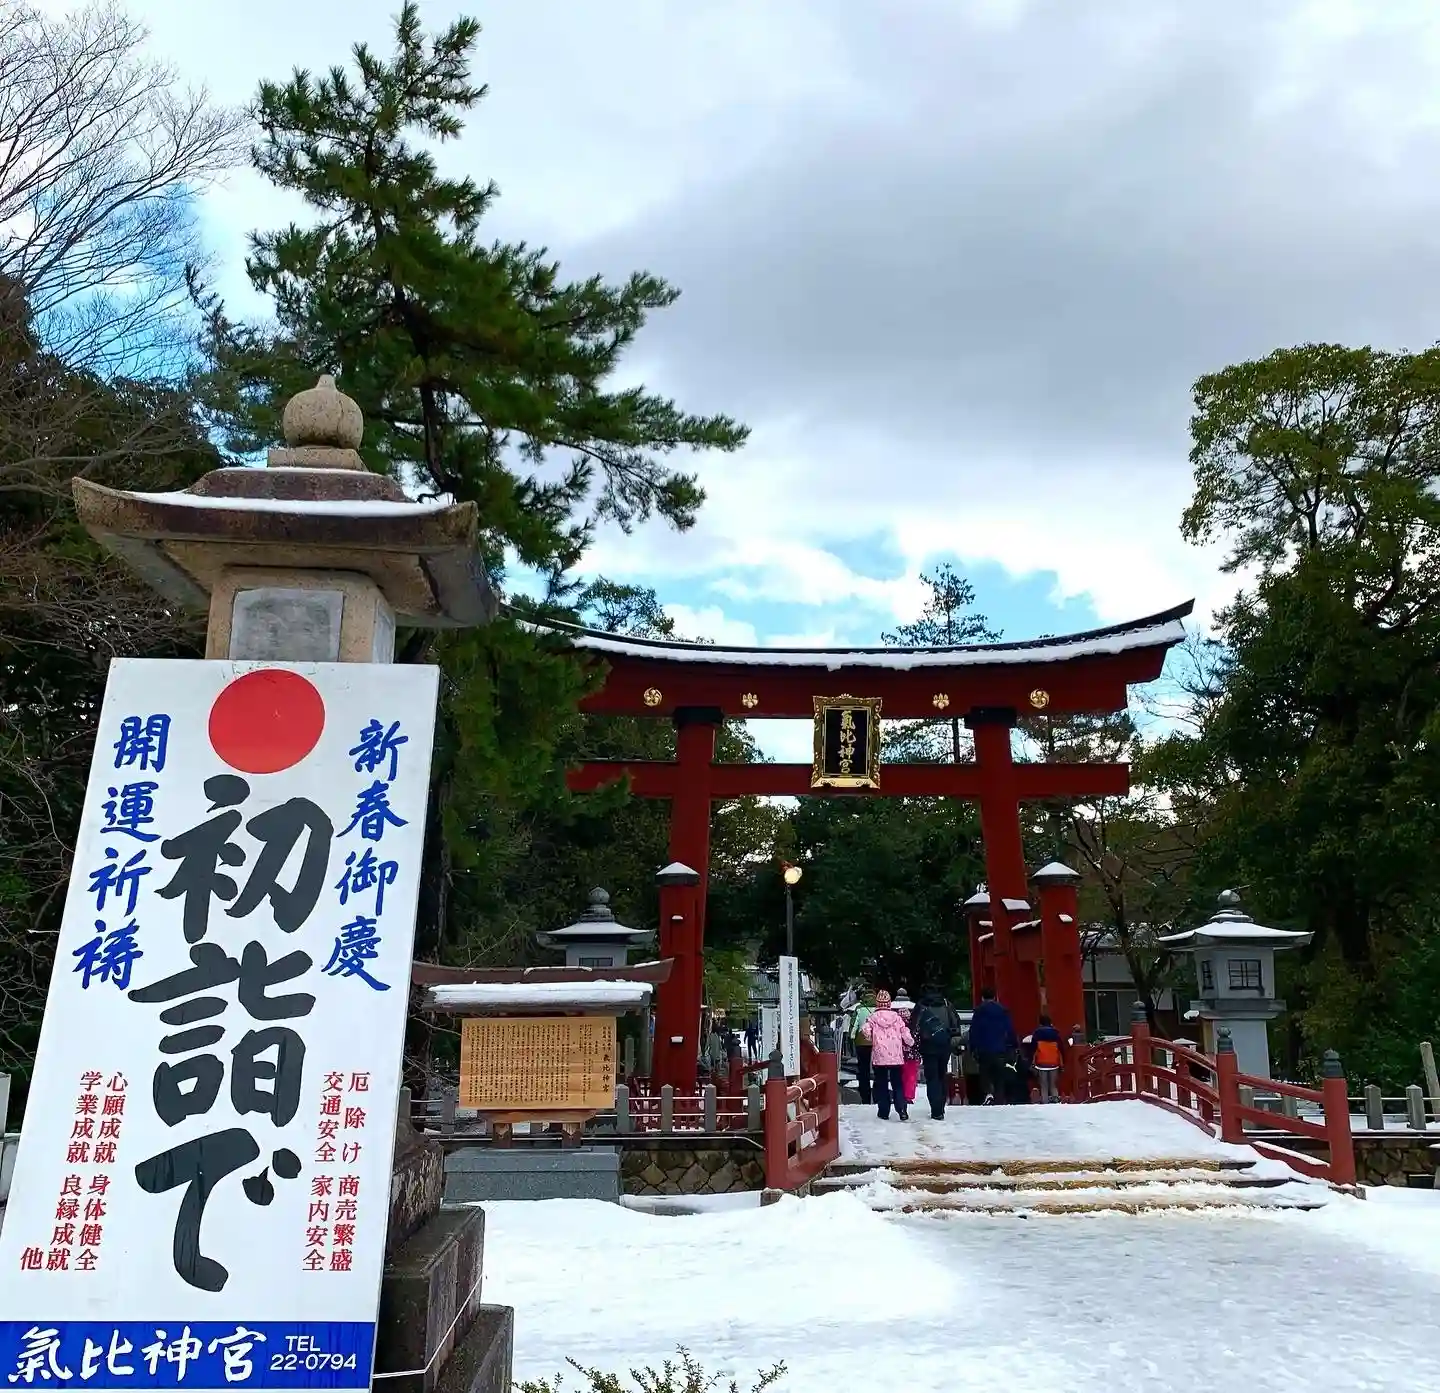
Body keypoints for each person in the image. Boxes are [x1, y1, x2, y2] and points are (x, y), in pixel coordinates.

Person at [859, 990, 912, 1121]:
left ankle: (883, 1111)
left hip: (880, 1056)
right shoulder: (897, 1017)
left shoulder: (873, 1017)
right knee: (897, 1083)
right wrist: (910, 1042)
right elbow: (905, 1032)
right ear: (889, 1003)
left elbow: (865, 1030)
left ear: (878, 1003)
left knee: (881, 1083)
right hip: (896, 1056)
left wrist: (870, 1036)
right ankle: (902, 1109)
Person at [914, 987, 961, 1120]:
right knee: (942, 1075)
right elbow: (955, 1023)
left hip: (928, 1046)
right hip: (944, 1044)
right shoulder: (946, 1004)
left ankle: (936, 1110)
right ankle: (941, 1105)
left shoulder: (921, 1005)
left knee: (932, 1078)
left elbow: (913, 1026)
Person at [969, 986, 1017, 1105]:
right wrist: (1013, 1046)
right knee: (999, 1075)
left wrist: (973, 1048)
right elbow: (1010, 1030)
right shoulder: (1003, 1011)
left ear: (982, 998)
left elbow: (974, 1031)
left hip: (983, 1049)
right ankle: (999, 1098)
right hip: (1000, 1048)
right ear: (995, 997)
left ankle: (988, 1093)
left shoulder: (979, 1012)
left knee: (985, 1073)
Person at [892, 992, 921, 1105]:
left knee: (900, 1077)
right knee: (911, 1077)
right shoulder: (915, 1026)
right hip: (913, 1055)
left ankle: (900, 1095)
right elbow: (917, 1041)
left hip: (898, 1055)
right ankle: (908, 1096)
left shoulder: (895, 1027)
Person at [1032, 1014, 1065, 1103]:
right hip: (1054, 1062)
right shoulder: (1056, 1034)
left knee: (1044, 1086)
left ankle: (1045, 1102)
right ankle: (1055, 1100)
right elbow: (1061, 1049)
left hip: (1041, 1063)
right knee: (1053, 1085)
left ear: (1040, 1023)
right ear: (1050, 1023)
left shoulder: (1037, 1033)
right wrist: (1062, 1062)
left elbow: (1032, 1048)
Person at [851, 992, 876, 1105]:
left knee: (863, 1069)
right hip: (877, 1041)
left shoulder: (859, 1008)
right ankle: (877, 1096)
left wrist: (852, 1037)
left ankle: (865, 1095)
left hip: (861, 1041)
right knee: (877, 1069)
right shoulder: (878, 1009)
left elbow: (854, 1025)